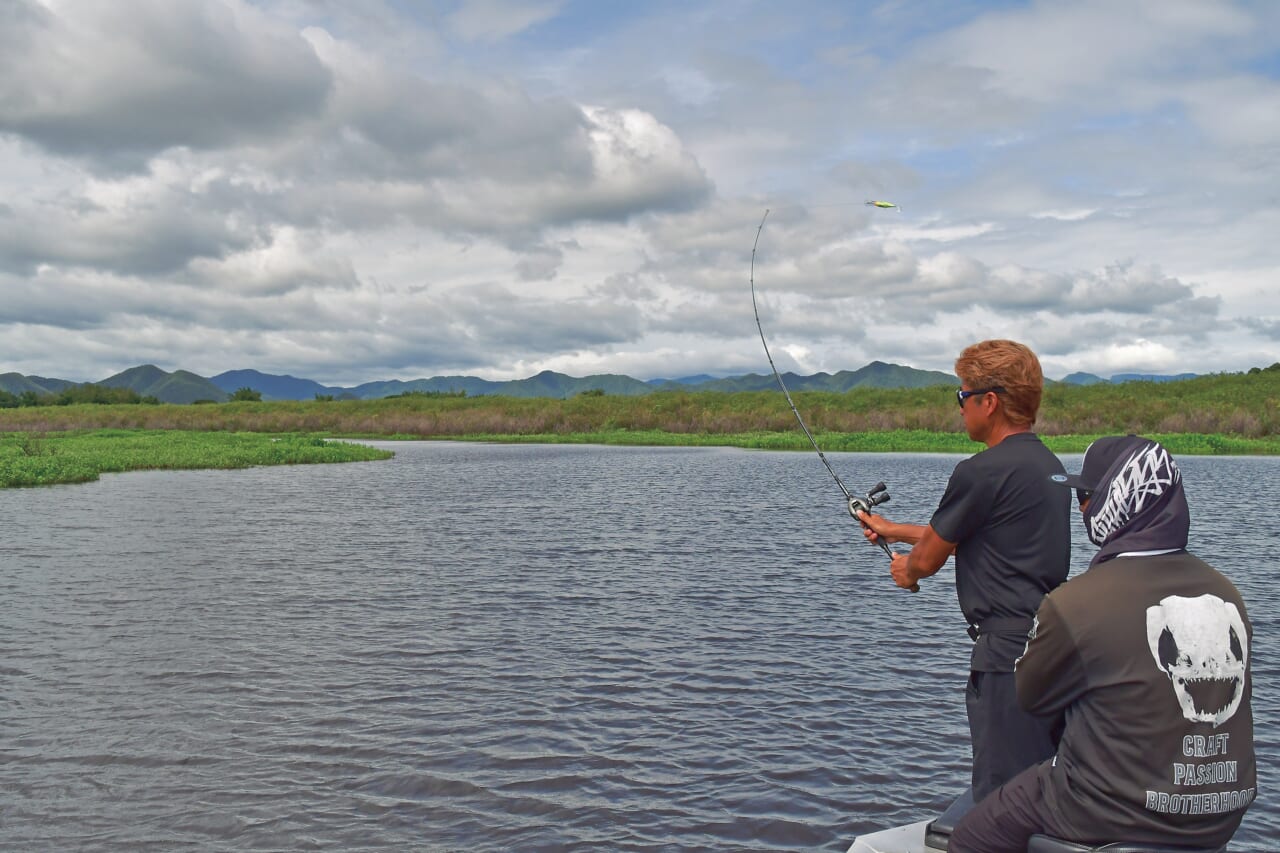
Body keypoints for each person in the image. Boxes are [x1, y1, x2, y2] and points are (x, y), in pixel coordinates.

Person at [948, 435, 1256, 852]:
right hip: (1219, 817)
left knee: (971, 835)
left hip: (1114, 812)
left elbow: (1032, 700)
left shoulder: (1076, 602)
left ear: (1119, 498)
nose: (1081, 510)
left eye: (1086, 498)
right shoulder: (1227, 593)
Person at [857, 339, 1070, 801]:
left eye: (962, 395)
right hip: (1052, 649)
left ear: (989, 402)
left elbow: (928, 561)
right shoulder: (1048, 467)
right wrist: (894, 530)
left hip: (1005, 659)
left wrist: (906, 571)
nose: (960, 408)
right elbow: (990, 544)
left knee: (1004, 797)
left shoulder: (981, 471)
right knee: (1039, 788)